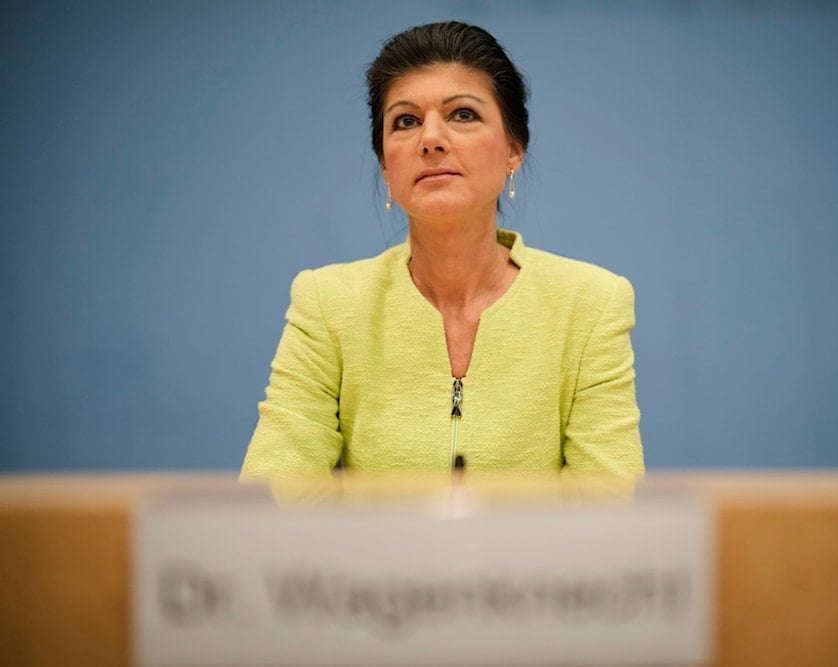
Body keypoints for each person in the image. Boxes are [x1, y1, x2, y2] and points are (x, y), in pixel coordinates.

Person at [240, 21, 643, 482]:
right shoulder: (328, 305)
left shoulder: (590, 304)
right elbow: (270, 496)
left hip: (537, 558)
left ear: (514, 150)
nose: (430, 139)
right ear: (386, 167)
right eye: (406, 121)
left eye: (463, 114)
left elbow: (609, 509)